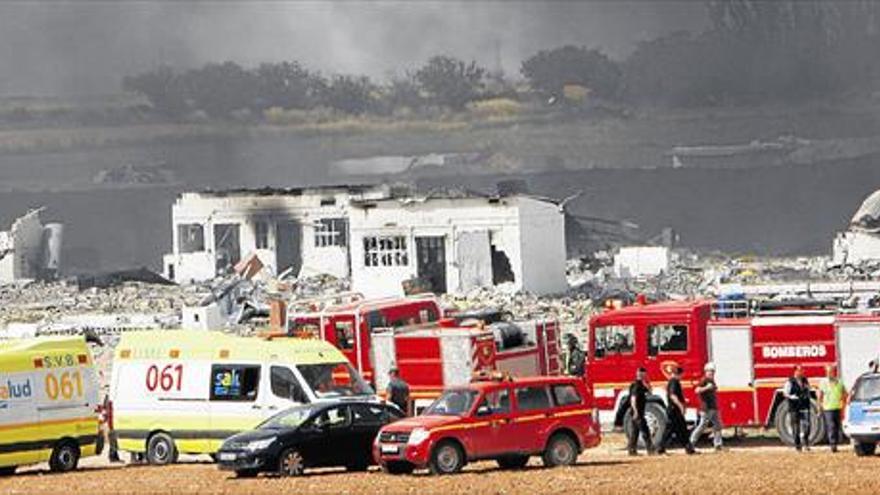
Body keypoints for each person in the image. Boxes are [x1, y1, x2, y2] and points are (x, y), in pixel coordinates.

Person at [659, 366, 696, 455]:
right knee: (671, 430)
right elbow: (673, 396)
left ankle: (689, 449)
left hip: (674, 410)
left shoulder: (672, 382)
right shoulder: (674, 382)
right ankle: (660, 448)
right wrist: (681, 406)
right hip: (674, 410)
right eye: (682, 374)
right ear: (679, 374)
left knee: (682, 430)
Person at [690, 363, 724, 451]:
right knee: (702, 426)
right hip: (706, 408)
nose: (712, 373)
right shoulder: (704, 380)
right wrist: (706, 388)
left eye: (713, 371)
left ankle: (718, 444)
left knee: (718, 425)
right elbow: (696, 390)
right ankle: (691, 442)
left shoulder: (712, 381)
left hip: (713, 407)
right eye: (710, 371)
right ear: (706, 371)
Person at [818, 364, 847, 453]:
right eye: (828, 372)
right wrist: (819, 408)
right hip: (828, 408)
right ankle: (833, 445)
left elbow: (844, 394)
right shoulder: (823, 382)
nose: (829, 373)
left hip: (837, 407)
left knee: (837, 427)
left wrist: (843, 408)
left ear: (834, 372)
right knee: (831, 426)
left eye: (831, 371)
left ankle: (835, 444)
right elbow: (820, 396)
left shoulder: (839, 382)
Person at [784, 365, 812, 452]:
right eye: (800, 370)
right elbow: (785, 393)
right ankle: (798, 446)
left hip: (804, 405)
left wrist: (808, 390)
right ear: (795, 371)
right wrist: (791, 397)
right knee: (796, 427)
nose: (803, 372)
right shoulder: (790, 381)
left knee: (807, 426)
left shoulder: (805, 380)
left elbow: (808, 389)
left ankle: (806, 443)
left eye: (803, 370)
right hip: (794, 407)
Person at [627, 367, 655, 456]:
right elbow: (633, 399)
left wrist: (647, 383)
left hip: (639, 412)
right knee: (645, 431)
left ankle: (632, 450)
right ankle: (651, 450)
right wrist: (635, 411)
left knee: (635, 432)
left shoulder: (641, 384)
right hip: (637, 412)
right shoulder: (636, 385)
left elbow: (650, 391)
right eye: (644, 374)